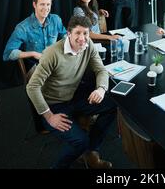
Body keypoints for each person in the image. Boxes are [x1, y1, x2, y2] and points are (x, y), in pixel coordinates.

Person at [26, 15, 117, 169]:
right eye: (78, 33)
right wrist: (49, 116)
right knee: (80, 141)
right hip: (54, 105)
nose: (82, 38)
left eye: (86, 33)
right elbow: (32, 87)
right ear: (69, 33)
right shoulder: (52, 53)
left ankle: (91, 152)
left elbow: (101, 70)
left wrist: (101, 89)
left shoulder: (89, 44)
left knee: (112, 105)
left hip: (74, 96)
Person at [3, 0, 66, 71]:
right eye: (42, 4)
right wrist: (33, 53)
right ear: (34, 5)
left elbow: (66, 36)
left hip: (54, 63)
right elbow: (8, 54)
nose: (46, 8)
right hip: (36, 68)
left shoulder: (56, 20)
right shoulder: (23, 27)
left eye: (48, 4)